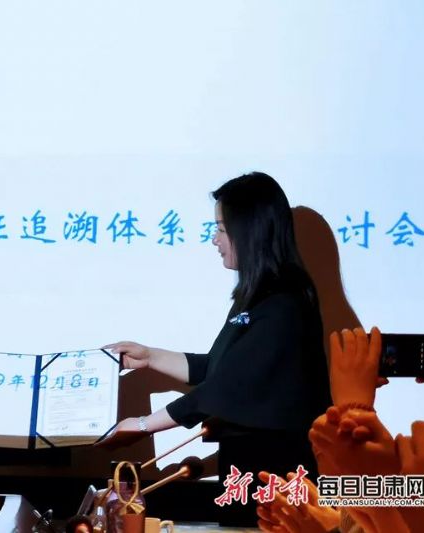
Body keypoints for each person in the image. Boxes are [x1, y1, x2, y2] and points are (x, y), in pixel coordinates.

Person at [103, 172, 332, 525]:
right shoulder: (255, 295)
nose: (214, 239)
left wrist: (144, 425)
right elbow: (219, 367)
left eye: (222, 229)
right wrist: (150, 357)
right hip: (246, 469)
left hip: (278, 479)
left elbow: (225, 388)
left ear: (249, 231)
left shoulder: (285, 302)